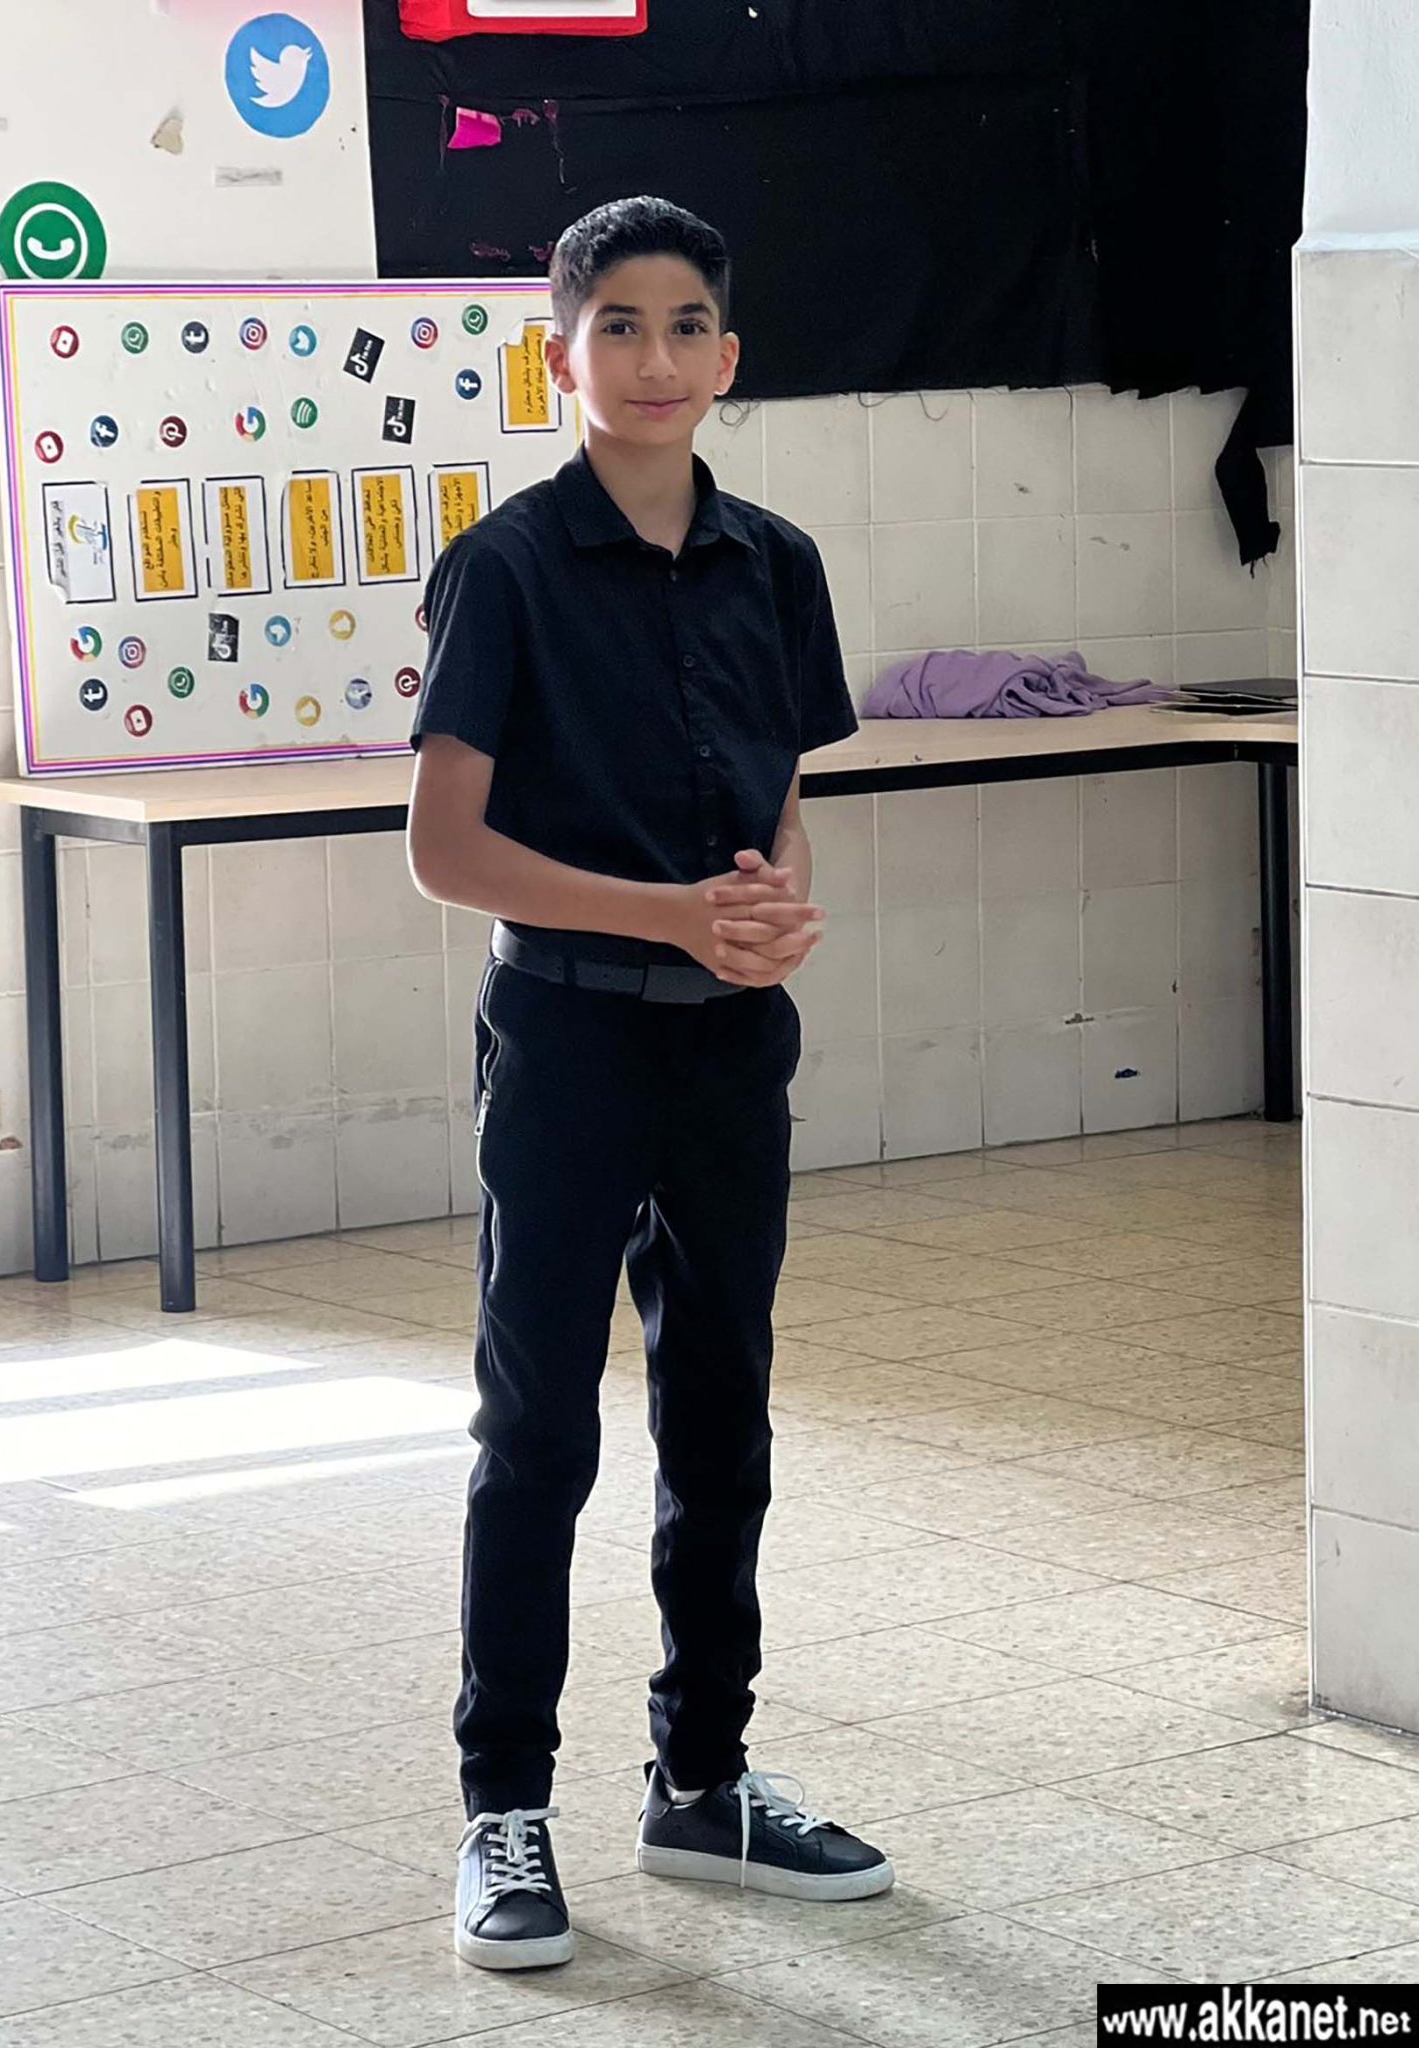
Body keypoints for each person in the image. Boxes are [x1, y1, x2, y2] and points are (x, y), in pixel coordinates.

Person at [407, 194, 895, 1974]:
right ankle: (502, 1810)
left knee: (723, 1411)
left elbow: (779, 792)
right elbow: (445, 851)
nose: (655, 357)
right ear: (561, 356)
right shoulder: (506, 567)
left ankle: (702, 1781)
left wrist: (763, 906)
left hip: (725, 1042)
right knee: (537, 1428)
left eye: (686, 324)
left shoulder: (779, 561)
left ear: (729, 355)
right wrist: (669, 914)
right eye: (617, 324)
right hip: (567, 1039)